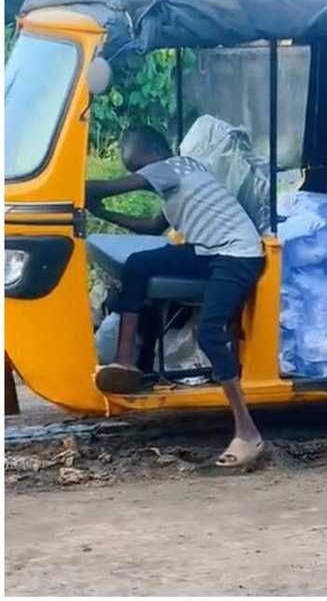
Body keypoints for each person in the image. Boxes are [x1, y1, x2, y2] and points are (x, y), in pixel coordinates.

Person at [86, 125, 267, 468]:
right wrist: (103, 215)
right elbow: (153, 228)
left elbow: (110, 188)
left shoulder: (177, 166)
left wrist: (69, 191)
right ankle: (128, 364)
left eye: (139, 167)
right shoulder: (174, 183)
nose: (139, 175)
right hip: (208, 252)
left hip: (237, 256)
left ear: (156, 151)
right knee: (138, 265)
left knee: (211, 334)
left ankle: (248, 433)